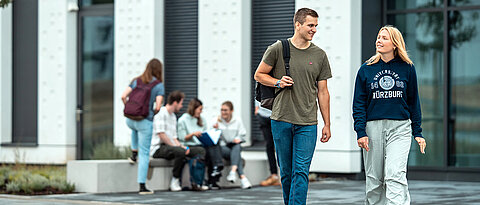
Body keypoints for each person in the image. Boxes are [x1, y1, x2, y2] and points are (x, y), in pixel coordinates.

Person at [254, 8, 332, 205]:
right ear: (297, 24)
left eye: (316, 26)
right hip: (281, 119)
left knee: (301, 171)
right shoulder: (278, 49)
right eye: (310, 25)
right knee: (287, 172)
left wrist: (327, 124)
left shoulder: (320, 55)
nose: (314, 29)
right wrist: (278, 82)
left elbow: (323, 92)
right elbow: (259, 74)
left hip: (308, 122)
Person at [353, 25, 426, 205]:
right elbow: (359, 104)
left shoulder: (407, 68)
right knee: (374, 180)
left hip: (400, 128)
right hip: (373, 128)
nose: (379, 40)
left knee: (395, 174)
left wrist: (418, 132)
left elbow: (413, 101)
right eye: (378, 37)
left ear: (394, 44)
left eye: (384, 38)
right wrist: (360, 132)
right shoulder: (366, 69)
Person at [121, 58, 165, 195]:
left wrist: (131, 108)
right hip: (145, 120)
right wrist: (154, 112)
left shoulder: (136, 80)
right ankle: (142, 186)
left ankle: (134, 153)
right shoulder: (158, 85)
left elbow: (123, 96)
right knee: (145, 154)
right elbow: (158, 106)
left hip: (130, 119)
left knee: (134, 128)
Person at [150, 91, 206, 192]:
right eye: (181, 103)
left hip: (170, 147)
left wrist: (182, 146)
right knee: (180, 151)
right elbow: (161, 135)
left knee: (200, 150)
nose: (181, 106)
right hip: (158, 148)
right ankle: (175, 180)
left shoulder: (173, 117)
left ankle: (196, 181)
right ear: (175, 103)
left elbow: (174, 138)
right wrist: (178, 148)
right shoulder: (161, 113)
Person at [177, 98, 223, 190]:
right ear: (193, 108)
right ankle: (214, 171)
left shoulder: (202, 119)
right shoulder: (183, 120)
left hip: (201, 144)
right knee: (204, 151)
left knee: (214, 144)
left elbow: (206, 131)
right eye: (200, 109)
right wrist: (193, 134)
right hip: (189, 145)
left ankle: (216, 169)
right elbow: (182, 138)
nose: (201, 112)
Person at [211, 101, 252, 189]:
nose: (223, 112)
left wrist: (238, 139)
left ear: (231, 111)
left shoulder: (237, 120)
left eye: (225, 110)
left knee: (237, 146)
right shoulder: (216, 121)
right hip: (222, 149)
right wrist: (215, 129)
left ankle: (236, 174)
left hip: (233, 147)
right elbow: (211, 137)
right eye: (221, 110)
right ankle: (239, 176)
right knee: (237, 153)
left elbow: (243, 135)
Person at [255, 100, 280, 186]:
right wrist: (256, 108)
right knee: (269, 145)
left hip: (277, 115)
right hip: (262, 115)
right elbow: (257, 91)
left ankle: (286, 176)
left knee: (281, 146)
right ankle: (274, 175)